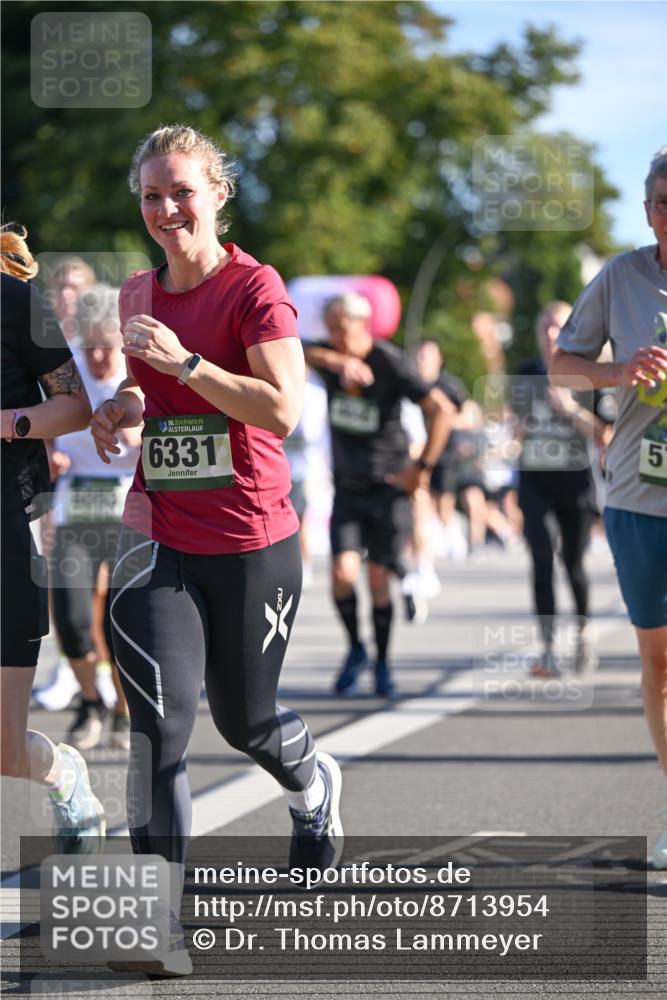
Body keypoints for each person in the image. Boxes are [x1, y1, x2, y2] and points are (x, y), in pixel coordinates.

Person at [89, 125, 342, 976]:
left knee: (246, 723)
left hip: (250, 539)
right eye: (150, 196)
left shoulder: (254, 288)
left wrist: (189, 363)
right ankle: (156, 925)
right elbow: (142, 389)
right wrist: (122, 410)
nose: (165, 209)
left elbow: (282, 410)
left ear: (218, 195)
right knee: (158, 726)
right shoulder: (135, 292)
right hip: (156, 532)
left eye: (181, 192)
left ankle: (314, 788)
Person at [550, 147, 667, 870]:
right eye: (662, 203)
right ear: (648, 210)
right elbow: (562, 367)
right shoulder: (622, 277)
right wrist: (618, 371)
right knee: (659, 661)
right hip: (637, 495)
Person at [0, 223, 104, 854]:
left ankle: (64, 774)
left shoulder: (16, 302)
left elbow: (75, 407)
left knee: (6, 751)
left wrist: (9, 422)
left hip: (5, 534)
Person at [304, 295, 452, 698]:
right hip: (347, 488)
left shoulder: (390, 362)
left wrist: (421, 469)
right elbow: (291, 349)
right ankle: (356, 648)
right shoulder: (330, 356)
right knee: (342, 574)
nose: (336, 337)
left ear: (363, 324)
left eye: (342, 329)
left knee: (378, 578)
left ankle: (383, 662)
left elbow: (441, 411)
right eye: (330, 329)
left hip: (388, 486)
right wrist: (336, 361)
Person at [50, 284, 138, 751]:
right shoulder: (67, 371)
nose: (98, 356)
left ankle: (124, 709)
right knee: (70, 617)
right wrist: (50, 453)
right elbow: (47, 420)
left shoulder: (136, 374)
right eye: (89, 346)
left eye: (107, 345)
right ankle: (90, 701)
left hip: (129, 508)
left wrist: (143, 440)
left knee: (120, 620)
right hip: (77, 506)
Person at [514, 301, 612, 676]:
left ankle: (583, 634)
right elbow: (517, 428)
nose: (552, 334)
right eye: (545, 326)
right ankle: (548, 648)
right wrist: (514, 432)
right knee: (540, 559)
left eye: (559, 326)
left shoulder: (588, 373)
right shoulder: (526, 373)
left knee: (572, 562)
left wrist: (570, 409)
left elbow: (606, 434)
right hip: (535, 480)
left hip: (575, 484)